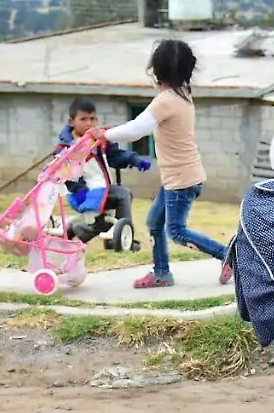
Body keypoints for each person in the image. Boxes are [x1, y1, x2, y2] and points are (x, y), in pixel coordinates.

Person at [90, 39, 233, 288]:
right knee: (154, 222)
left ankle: (229, 255)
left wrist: (105, 135)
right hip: (181, 178)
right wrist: (109, 133)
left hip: (181, 181)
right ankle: (161, 273)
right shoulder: (183, 95)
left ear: (157, 70)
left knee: (176, 231)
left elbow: (137, 129)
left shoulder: (166, 100)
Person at [55, 98, 150, 248]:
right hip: (83, 193)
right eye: (83, 119)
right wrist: (78, 190)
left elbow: (115, 156)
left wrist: (134, 159)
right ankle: (118, 235)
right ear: (71, 121)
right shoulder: (66, 148)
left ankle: (120, 234)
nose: (89, 123)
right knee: (115, 203)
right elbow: (65, 173)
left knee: (121, 196)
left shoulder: (98, 140)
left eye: (92, 119)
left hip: (101, 188)